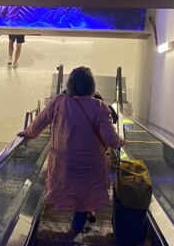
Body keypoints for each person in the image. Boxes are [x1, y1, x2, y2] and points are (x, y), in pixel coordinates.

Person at [19, 66, 123, 234]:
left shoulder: (59, 101)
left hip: (63, 162)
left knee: (71, 188)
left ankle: (80, 215)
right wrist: (121, 141)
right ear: (91, 86)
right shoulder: (100, 107)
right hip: (90, 163)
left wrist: (27, 133)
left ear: (70, 84)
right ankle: (77, 226)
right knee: (85, 191)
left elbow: (39, 122)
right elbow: (111, 139)